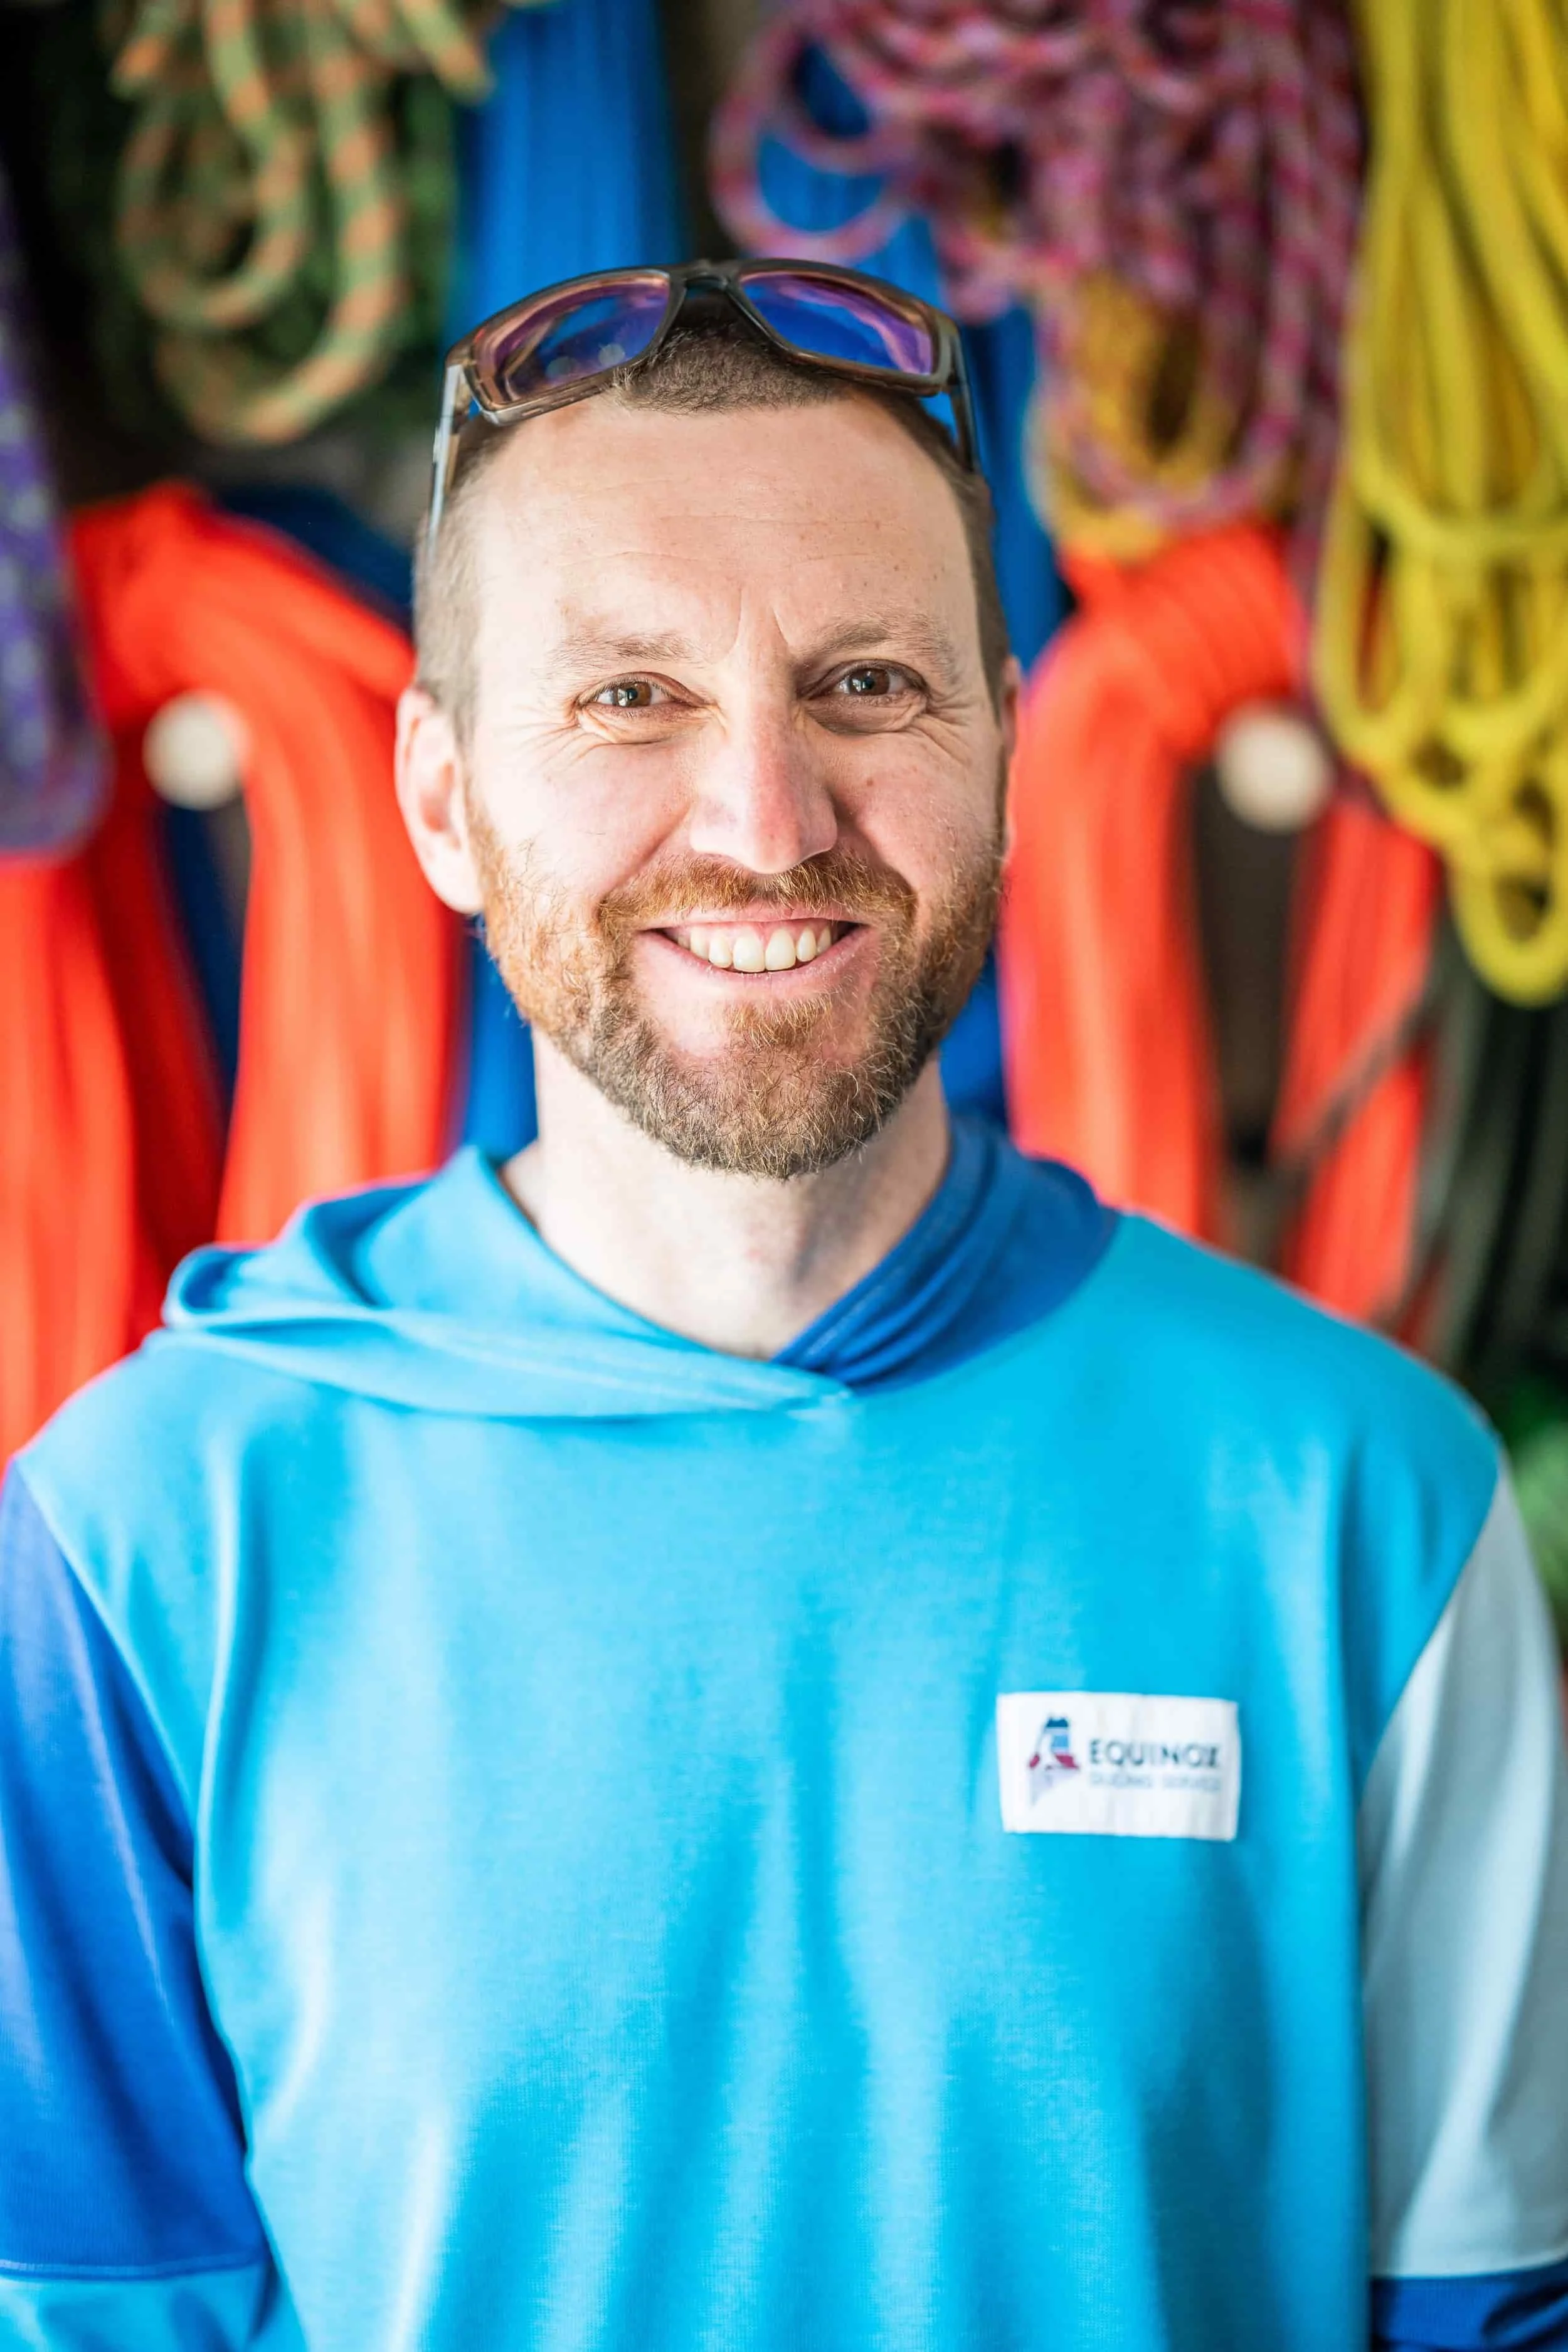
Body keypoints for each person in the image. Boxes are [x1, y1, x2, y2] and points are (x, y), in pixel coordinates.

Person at [2, 262, 1565, 2352]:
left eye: (864, 686)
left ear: (1004, 738)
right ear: (443, 800)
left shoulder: (1363, 1504)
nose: (763, 821)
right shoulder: (135, 1550)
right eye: (627, 696)